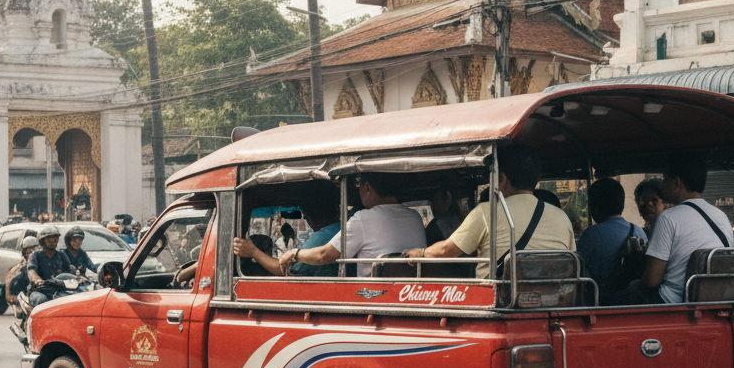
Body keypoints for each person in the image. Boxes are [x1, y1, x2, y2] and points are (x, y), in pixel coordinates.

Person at [407, 145, 575, 277]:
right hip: (555, 302)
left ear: (501, 178)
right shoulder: (562, 217)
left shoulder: (487, 212)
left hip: (500, 302)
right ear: (535, 179)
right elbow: (572, 262)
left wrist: (420, 253)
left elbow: (446, 251)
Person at [634, 153, 733, 304]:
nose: (663, 185)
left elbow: (652, 280)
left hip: (671, 302)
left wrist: (636, 283)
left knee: (614, 298)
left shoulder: (668, 218)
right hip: (714, 300)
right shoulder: (721, 216)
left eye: (665, 179)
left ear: (676, 182)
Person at [284, 173, 425, 278]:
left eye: (359, 187)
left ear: (367, 187)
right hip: (412, 292)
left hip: (372, 297)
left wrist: (295, 254)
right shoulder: (415, 217)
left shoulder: (363, 218)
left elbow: (324, 255)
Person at [235, 185, 342, 277]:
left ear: (305, 215)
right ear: (337, 210)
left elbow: (285, 271)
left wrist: (253, 251)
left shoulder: (322, 237)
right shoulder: (343, 231)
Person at [576, 178, 647, 303]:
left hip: (601, 302)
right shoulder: (638, 231)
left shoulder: (591, 234)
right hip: (633, 300)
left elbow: (579, 271)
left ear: (593, 208)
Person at [27, 224, 72, 307]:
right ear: (43, 241)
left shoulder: (61, 255)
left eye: (55, 241)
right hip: (39, 290)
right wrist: (37, 280)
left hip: (58, 289)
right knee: (41, 301)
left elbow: (70, 269)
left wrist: (80, 277)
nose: (53, 243)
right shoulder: (35, 255)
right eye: (49, 241)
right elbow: (31, 271)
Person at [5, 235, 39, 303]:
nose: (33, 254)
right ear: (25, 254)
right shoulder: (20, 269)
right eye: (30, 252)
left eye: (35, 251)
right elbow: (11, 292)